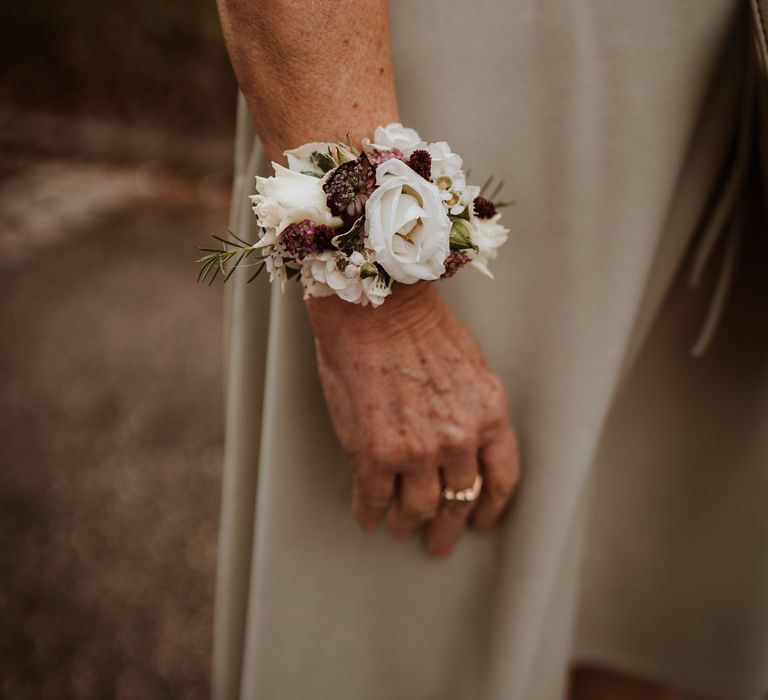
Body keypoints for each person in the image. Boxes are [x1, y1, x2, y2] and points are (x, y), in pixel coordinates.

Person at [211, 1, 768, 698]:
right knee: (421, 633)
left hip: (731, 94)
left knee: (662, 607)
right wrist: (378, 306)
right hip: (477, 78)